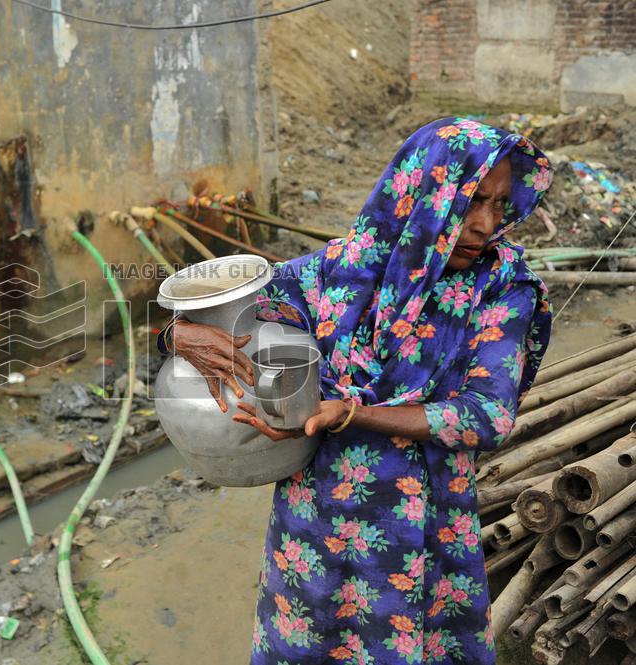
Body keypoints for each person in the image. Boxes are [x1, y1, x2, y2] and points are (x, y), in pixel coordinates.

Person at [166, 117, 553, 664]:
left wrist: (350, 414)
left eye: (500, 204)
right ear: (422, 193)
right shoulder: (337, 270)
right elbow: (238, 313)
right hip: (314, 528)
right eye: (472, 201)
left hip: (422, 530)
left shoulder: (499, 287)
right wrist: (178, 332)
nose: (487, 224)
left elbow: (486, 415)